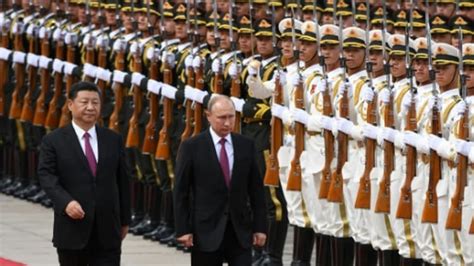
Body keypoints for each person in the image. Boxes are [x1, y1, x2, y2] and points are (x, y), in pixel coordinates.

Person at [38, 81, 131, 265]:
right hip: (73, 228)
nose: (90, 107)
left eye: (95, 103)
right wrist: (66, 202)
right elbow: (47, 176)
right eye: (84, 102)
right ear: (71, 105)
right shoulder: (54, 141)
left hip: (107, 230)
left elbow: (123, 181)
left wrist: (125, 220)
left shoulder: (113, 139)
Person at [173, 95, 267, 266]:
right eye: (221, 118)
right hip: (206, 231)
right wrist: (183, 229)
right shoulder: (192, 147)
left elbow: (256, 190)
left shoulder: (246, 145)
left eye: (231, 117)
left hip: (239, 231)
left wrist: (260, 227)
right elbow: (181, 192)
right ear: (208, 115)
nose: (227, 123)